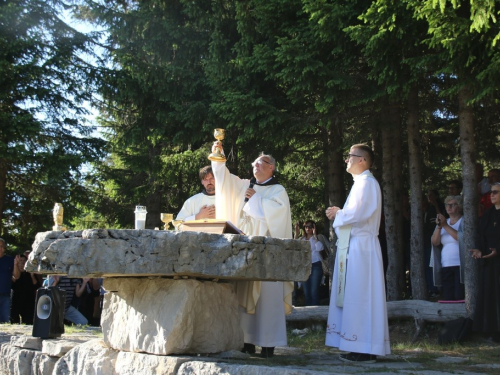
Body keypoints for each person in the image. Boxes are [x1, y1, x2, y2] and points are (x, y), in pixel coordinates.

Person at [211, 143, 293, 358]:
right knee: (244, 292)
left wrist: (256, 200)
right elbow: (224, 181)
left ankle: (268, 343)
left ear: (271, 167)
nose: (255, 166)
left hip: (267, 254)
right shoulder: (244, 186)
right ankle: (246, 341)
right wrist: (218, 159)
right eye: (254, 163)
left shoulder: (278, 190)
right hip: (246, 250)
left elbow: (278, 217)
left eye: (261, 163)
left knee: (267, 297)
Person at [324, 144, 390, 363]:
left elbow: (359, 213)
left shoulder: (367, 183)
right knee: (354, 296)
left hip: (363, 248)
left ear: (362, 160)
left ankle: (366, 347)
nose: (346, 160)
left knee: (362, 296)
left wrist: (338, 213)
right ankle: (356, 344)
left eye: (350, 156)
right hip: (355, 246)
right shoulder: (360, 183)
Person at [470, 182, 500, 341]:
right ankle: (492, 331)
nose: (492, 195)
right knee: (489, 295)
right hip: (489, 262)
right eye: (491, 192)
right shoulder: (488, 214)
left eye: (495, 192)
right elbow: (481, 234)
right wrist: (480, 250)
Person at [430, 195, 465, 301]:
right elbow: (435, 242)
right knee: (448, 296)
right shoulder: (443, 222)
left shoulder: (463, 221)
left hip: (460, 264)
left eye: (452, 204)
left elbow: (461, 238)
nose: (448, 207)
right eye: (446, 205)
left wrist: (445, 225)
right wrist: (440, 226)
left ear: (459, 206)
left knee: (459, 295)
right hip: (445, 264)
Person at [295, 220, 325, 306]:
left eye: (310, 226)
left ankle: (316, 315)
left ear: (314, 228)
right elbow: (294, 248)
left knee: (314, 292)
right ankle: (308, 315)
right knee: (307, 293)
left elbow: (320, 248)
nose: (308, 228)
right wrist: (296, 234)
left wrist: (315, 236)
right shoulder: (302, 239)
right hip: (304, 267)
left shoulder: (318, 237)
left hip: (316, 265)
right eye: (306, 226)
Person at [11, 254, 40, 324]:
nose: (22, 263)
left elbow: (36, 286)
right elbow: (13, 281)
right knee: (14, 320)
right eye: (20, 260)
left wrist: (32, 275)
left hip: (28, 301)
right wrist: (16, 265)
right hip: (16, 300)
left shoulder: (29, 273)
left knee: (29, 321)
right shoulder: (14, 273)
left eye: (24, 261)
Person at [0, 238, 20, 323]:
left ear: (4, 248)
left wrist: (15, 265)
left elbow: (17, 276)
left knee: (5, 321)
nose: (0, 248)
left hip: (5, 296)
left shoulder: (9, 260)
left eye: (1, 246)